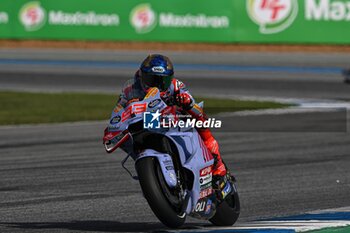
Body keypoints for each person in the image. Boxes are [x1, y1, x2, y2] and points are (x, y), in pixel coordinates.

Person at [117, 54, 227, 178]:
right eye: (151, 80)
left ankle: (218, 165)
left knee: (201, 123)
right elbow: (120, 109)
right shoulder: (131, 90)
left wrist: (187, 103)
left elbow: (196, 108)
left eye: (161, 81)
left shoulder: (175, 86)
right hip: (146, 122)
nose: (156, 85)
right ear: (142, 76)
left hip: (174, 119)